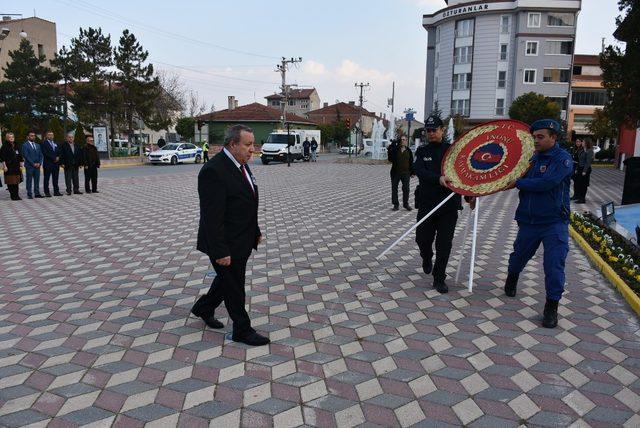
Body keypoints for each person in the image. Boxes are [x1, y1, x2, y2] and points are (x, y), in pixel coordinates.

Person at [191, 124, 269, 346]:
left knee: (227, 282)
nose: (252, 149)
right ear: (233, 144)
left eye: (252, 144)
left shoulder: (241, 165)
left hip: (242, 239)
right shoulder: (214, 171)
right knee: (235, 287)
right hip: (224, 243)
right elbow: (211, 217)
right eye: (247, 144)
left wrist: (255, 231)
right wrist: (220, 251)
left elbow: (246, 203)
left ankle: (203, 308)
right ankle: (242, 330)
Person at [504, 119, 573, 329]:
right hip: (529, 220)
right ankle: (512, 277)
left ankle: (551, 307)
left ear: (554, 137)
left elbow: (548, 183)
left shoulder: (563, 159)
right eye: (534, 137)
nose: (536, 140)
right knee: (518, 256)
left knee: (554, 265)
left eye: (541, 137)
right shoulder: (530, 159)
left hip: (554, 222)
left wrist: (519, 183)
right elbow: (509, 172)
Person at [414, 115, 474, 294]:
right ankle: (426, 257)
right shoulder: (422, 151)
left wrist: (469, 196)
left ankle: (439, 278)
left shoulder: (452, 151)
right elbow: (419, 171)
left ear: (442, 130)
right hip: (427, 204)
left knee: (444, 244)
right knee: (422, 239)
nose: (431, 133)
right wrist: (438, 179)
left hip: (448, 207)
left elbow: (464, 175)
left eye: (435, 130)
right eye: (428, 130)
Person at [387, 136, 414, 211]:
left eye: (404, 140)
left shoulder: (409, 151)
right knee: (394, 188)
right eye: (401, 140)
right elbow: (390, 159)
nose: (403, 141)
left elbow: (411, 162)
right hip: (395, 172)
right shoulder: (396, 150)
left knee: (406, 189)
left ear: (406, 141)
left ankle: (406, 204)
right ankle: (396, 205)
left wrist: (413, 172)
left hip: (406, 173)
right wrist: (390, 148)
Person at [21, 131, 44, 199]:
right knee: (29, 180)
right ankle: (29, 193)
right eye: (31, 135)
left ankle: (37, 193)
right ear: (28, 137)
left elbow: (41, 155)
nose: (33, 137)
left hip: (37, 166)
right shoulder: (25, 145)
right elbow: (26, 156)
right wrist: (33, 163)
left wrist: (39, 163)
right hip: (30, 166)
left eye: (34, 135)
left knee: (37, 180)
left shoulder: (38, 145)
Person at [1, 132, 23, 200]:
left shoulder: (16, 144)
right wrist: (4, 166)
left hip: (16, 166)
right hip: (9, 166)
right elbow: (2, 157)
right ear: (7, 138)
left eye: (12, 137)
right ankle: (13, 196)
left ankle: (17, 195)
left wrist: (21, 164)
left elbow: (20, 155)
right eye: (10, 137)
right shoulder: (4, 146)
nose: (11, 138)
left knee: (16, 181)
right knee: (10, 182)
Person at [573, 138, 594, 204]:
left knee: (583, 185)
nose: (582, 143)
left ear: (587, 143)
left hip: (585, 169)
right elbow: (579, 161)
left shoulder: (589, 151)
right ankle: (578, 197)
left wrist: (584, 171)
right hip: (580, 168)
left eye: (583, 142)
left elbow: (588, 162)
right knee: (579, 184)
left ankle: (582, 199)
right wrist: (576, 169)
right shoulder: (582, 150)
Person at [42, 130, 63, 197]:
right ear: (46, 136)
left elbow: (59, 151)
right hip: (48, 164)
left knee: (55, 178)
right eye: (49, 135)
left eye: (52, 135)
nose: (51, 136)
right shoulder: (44, 143)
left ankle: (56, 191)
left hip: (56, 164)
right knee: (46, 179)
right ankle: (47, 192)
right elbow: (45, 153)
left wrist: (58, 157)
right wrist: (54, 158)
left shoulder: (56, 143)